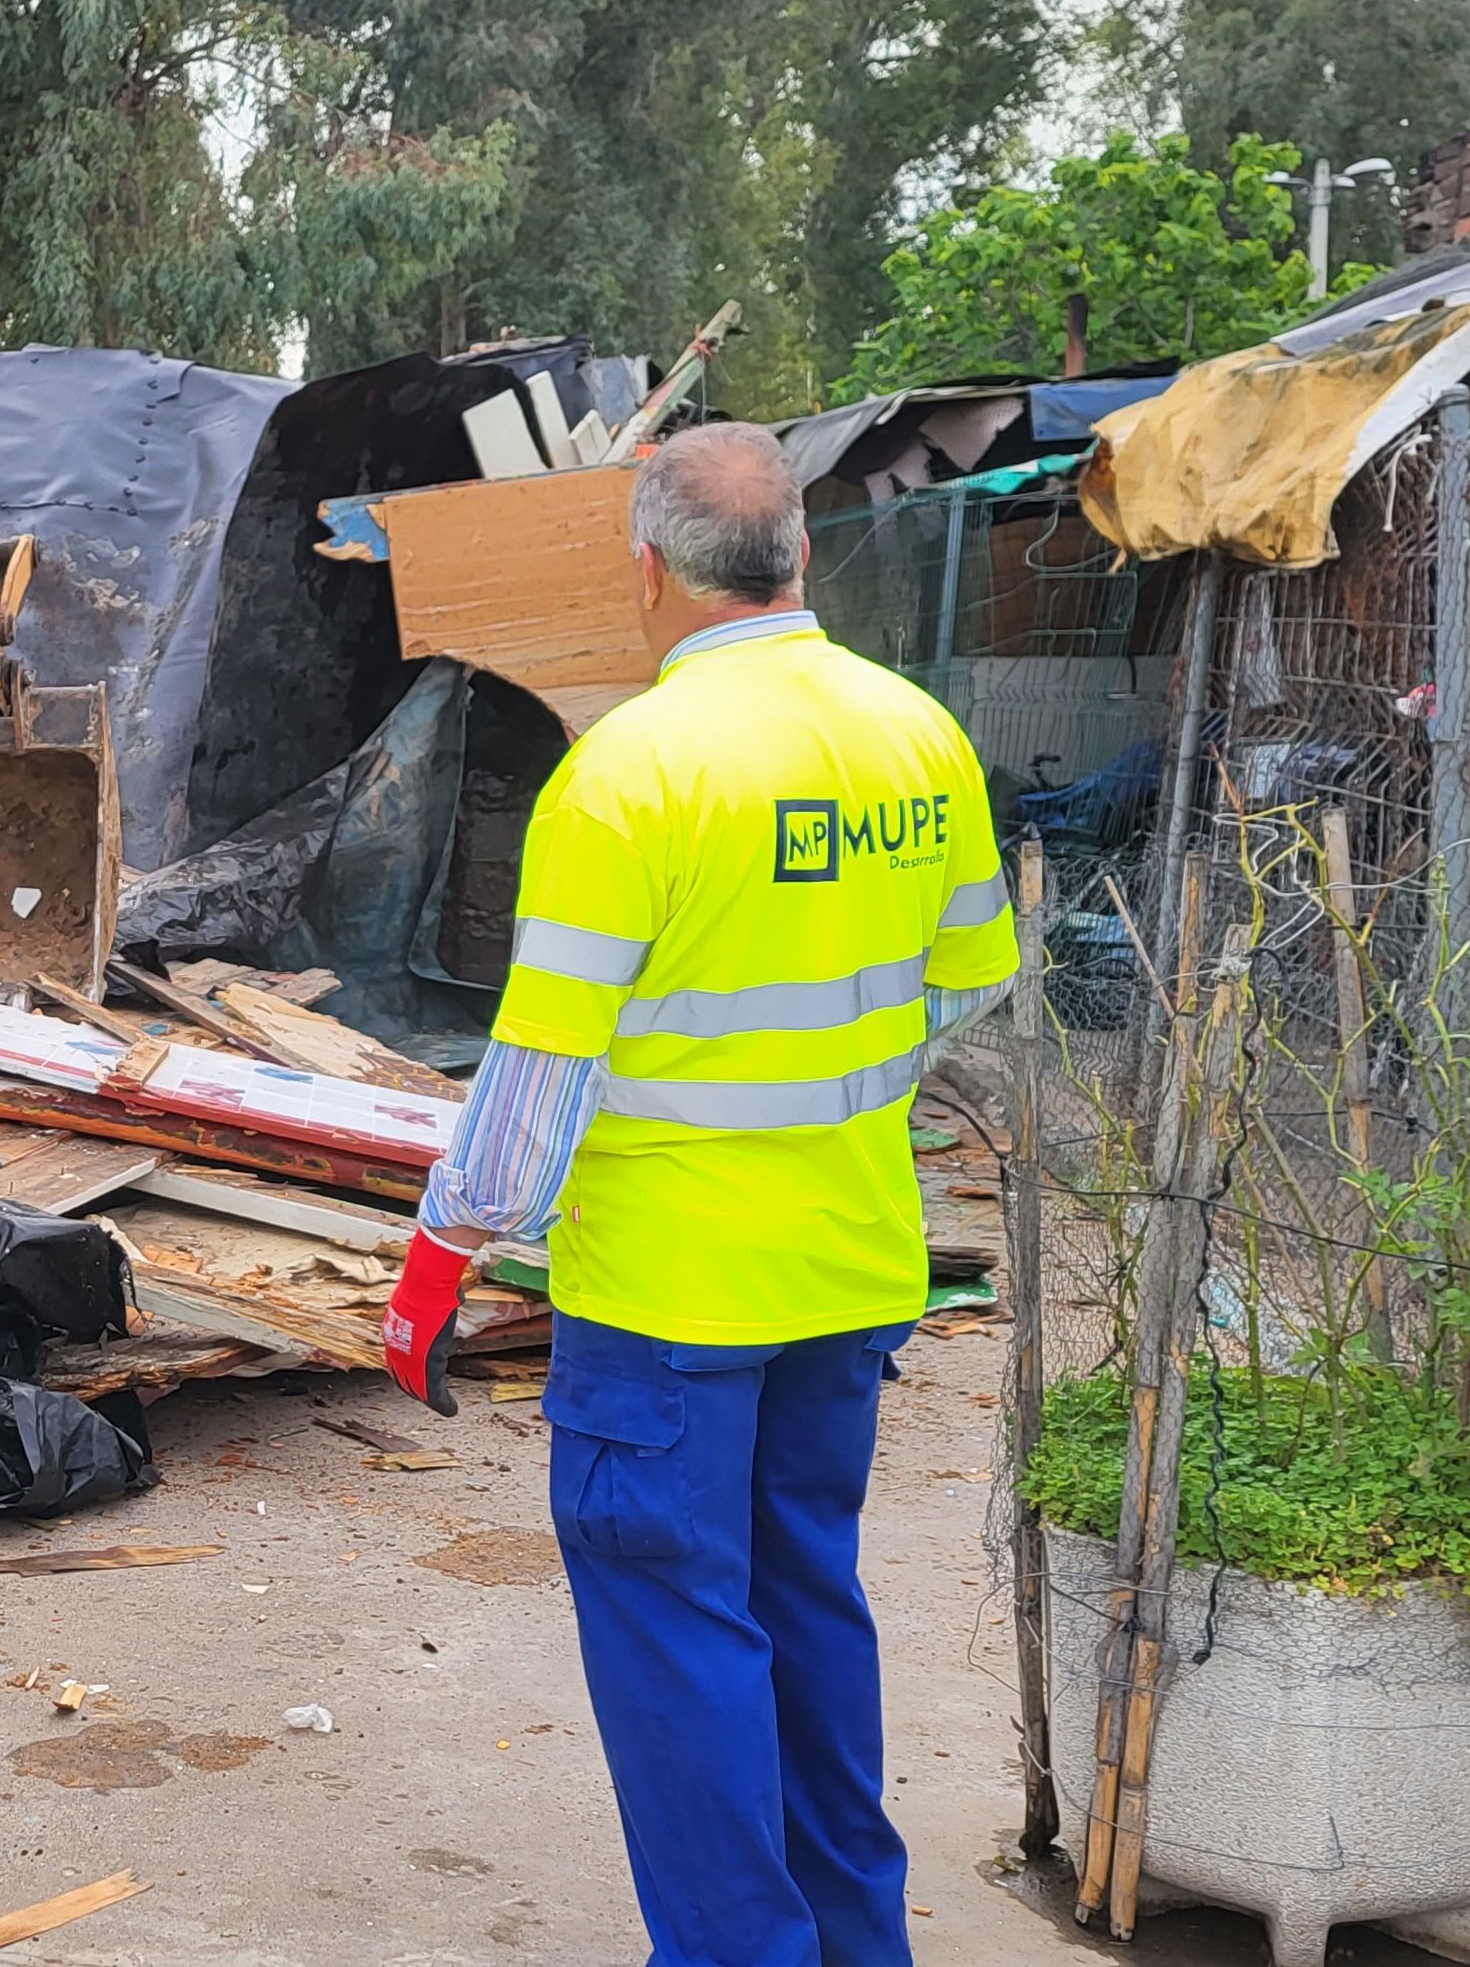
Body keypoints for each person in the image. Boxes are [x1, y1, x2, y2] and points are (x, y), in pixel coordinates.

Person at [386, 419, 1018, 1967]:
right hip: (850, 1272)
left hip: (668, 1299)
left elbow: (539, 1078)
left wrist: (434, 1265)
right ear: (800, 552)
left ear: (648, 569)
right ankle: (859, 1945)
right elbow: (974, 984)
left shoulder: (628, 773)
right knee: (807, 1613)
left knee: (679, 1643)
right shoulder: (917, 736)